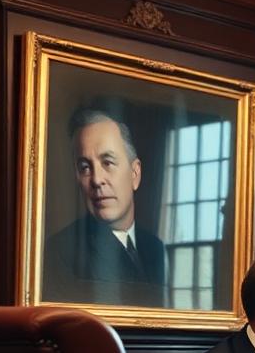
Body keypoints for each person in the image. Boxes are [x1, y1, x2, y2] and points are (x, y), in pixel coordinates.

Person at [43, 108, 168, 308]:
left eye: (107, 162)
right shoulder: (59, 251)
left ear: (135, 174)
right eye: (85, 167)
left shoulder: (155, 248)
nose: (96, 180)